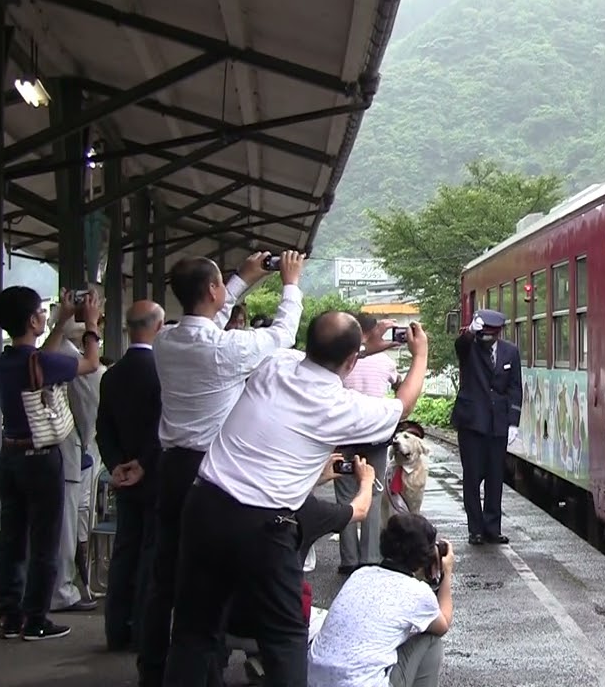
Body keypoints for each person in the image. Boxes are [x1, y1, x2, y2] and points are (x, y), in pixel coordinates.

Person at [163, 314, 430, 687]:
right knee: (284, 639)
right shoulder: (341, 406)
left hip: (204, 504)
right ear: (352, 360)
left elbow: (325, 356)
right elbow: (402, 406)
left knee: (194, 632)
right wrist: (420, 356)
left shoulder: (276, 364)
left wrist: (364, 347)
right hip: (263, 526)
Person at [141, 250, 305, 687]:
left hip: (171, 465)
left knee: (165, 574)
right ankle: (208, 672)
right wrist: (290, 282)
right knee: (208, 584)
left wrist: (238, 280)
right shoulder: (224, 349)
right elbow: (282, 335)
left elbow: (206, 322)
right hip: (212, 475)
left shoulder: (166, 340)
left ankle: (152, 669)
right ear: (212, 291)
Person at [0, 286, 103, 641]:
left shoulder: (5, 361)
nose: (44, 315)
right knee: (45, 541)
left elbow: (38, 358)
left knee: (11, 539)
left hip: (10, 454)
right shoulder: (45, 363)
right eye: (41, 312)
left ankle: (10, 617)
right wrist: (91, 325)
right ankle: (37, 618)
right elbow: (91, 363)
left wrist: (60, 321)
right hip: (42, 457)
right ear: (32, 320)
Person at [230, 453, 378, 684]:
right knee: (331, 622)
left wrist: (319, 477)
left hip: (222, 623)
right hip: (278, 626)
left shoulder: (224, 497)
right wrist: (366, 480)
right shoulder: (305, 510)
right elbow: (359, 510)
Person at [308, 513, 455, 687]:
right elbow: (443, 624)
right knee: (430, 638)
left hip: (312, 680)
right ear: (424, 556)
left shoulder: (360, 574)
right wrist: (447, 573)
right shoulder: (417, 592)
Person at [96, 300, 166, 652]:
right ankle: (143, 628)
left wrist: (116, 466)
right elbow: (165, 430)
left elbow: (102, 431)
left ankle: (115, 628)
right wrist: (145, 464)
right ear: (159, 326)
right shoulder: (164, 373)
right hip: (155, 477)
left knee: (124, 551)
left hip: (123, 478)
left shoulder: (112, 375)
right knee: (152, 553)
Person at [336, 313, 405, 574]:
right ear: (376, 331)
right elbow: (399, 384)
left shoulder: (343, 359)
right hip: (375, 436)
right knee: (374, 494)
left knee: (345, 496)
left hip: (343, 435)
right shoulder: (385, 362)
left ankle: (348, 560)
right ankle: (370, 558)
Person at [451, 308, 522, 546]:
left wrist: (513, 422)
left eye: (490, 334)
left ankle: (493, 528)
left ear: (498, 332)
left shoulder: (510, 352)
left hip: (498, 424)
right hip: (472, 422)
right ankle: (475, 529)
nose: (487, 338)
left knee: (495, 477)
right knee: (472, 478)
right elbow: (460, 345)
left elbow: (514, 388)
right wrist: (471, 331)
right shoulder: (470, 348)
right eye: (483, 333)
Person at [51, 314, 107, 613]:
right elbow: (92, 369)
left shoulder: (25, 357)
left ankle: (21, 597)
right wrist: (91, 326)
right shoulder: (68, 362)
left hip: (24, 453)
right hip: (65, 454)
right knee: (64, 527)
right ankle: (61, 591)